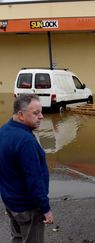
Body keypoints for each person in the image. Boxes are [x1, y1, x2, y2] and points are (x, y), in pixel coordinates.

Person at [0, 94, 54, 243]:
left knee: (17, 238)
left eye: (41, 112)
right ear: (21, 115)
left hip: (11, 202)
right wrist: (45, 208)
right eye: (36, 113)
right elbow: (34, 179)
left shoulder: (3, 131)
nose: (41, 117)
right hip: (28, 207)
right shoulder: (25, 141)